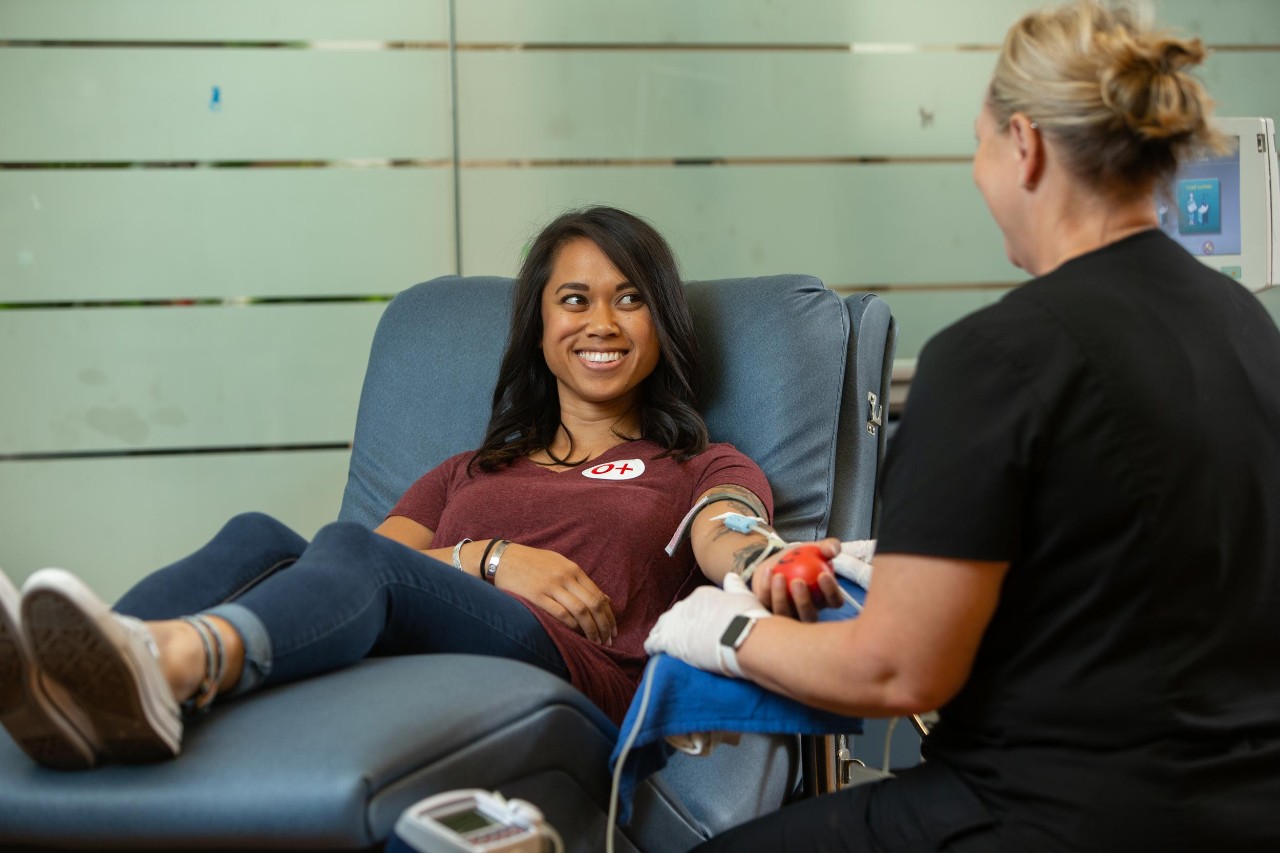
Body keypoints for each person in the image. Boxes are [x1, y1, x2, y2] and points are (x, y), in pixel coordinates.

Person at [646, 2, 1280, 851]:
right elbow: (1138, 560)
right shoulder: (1242, 325)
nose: (976, 174)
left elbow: (895, 669)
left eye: (978, 145)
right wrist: (899, 562)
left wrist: (723, 630)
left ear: (1027, 146)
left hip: (1054, 815)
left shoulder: (995, 357)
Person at [0, 205, 778, 771]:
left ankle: (175, 660)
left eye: (629, 298)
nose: (601, 321)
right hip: (442, 638)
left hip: (579, 676)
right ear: (541, 330)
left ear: (661, 322)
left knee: (346, 550)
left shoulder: (697, 463)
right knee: (260, 537)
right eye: (574, 299)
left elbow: (729, 533)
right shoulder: (471, 468)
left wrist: (760, 560)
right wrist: (491, 558)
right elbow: (370, 564)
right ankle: (63, 679)